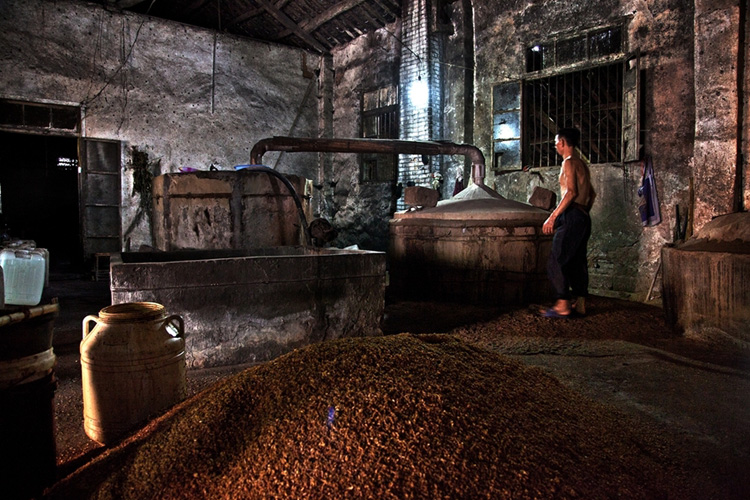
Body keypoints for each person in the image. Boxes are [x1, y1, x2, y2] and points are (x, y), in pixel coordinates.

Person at [541, 127, 596, 318]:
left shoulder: (569, 163)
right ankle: (580, 302)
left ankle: (562, 304)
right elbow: (592, 194)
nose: (555, 145)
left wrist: (553, 216)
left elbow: (571, 192)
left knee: (556, 259)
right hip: (583, 216)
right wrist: (582, 214)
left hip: (572, 215)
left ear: (563, 143)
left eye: (556, 142)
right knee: (576, 261)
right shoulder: (582, 164)